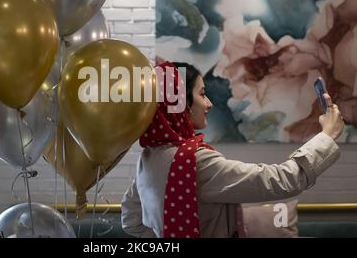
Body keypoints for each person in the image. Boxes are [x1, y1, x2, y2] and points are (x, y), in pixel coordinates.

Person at [121, 61, 344, 238]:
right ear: (181, 102)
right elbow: (283, 180)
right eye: (202, 94)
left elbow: (131, 219)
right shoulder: (193, 162)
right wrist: (326, 137)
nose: (209, 104)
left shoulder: (150, 156)